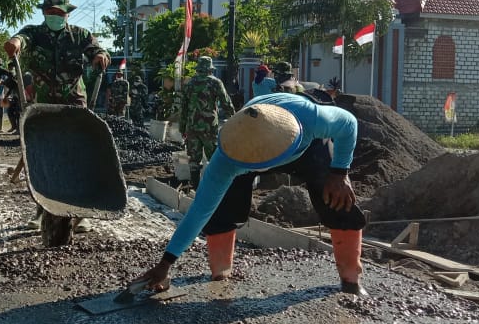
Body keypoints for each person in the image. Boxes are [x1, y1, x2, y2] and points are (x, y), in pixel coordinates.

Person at [134, 92, 368, 296]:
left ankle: (351, 280)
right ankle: (220, 275)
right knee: (222, 209)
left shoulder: (313, 118)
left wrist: (340, 171)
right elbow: (199, 212)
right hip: (251, 139)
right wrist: (165, 264)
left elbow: (349, 124)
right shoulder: (227, 158)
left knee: (337, 200)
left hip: (308, 147)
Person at [4, 0, 110, 234]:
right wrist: (14, 43)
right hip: (42, 108)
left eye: (60, 12)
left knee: (78, 158)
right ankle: (41, 211)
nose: (55, 15)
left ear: (66, 14)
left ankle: (81, 214)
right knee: (42, 158)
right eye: (51, 11)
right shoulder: (35, 33)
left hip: (74, 104)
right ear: (44, 12)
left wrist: (101, 57)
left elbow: (98, 50)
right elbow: (21, 38)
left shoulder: (80, 35)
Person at [179, 56, 235, 189]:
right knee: (214, 158)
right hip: (209, 127)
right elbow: (226, 103)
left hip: (192, 126)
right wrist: (233, 120)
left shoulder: (190, 83)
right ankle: (217, 187)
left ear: (198, 69)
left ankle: (195, 187)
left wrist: (182, 128)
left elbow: (184, 107)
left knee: (194, 159)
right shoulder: (216, 83)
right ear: (210, 69)